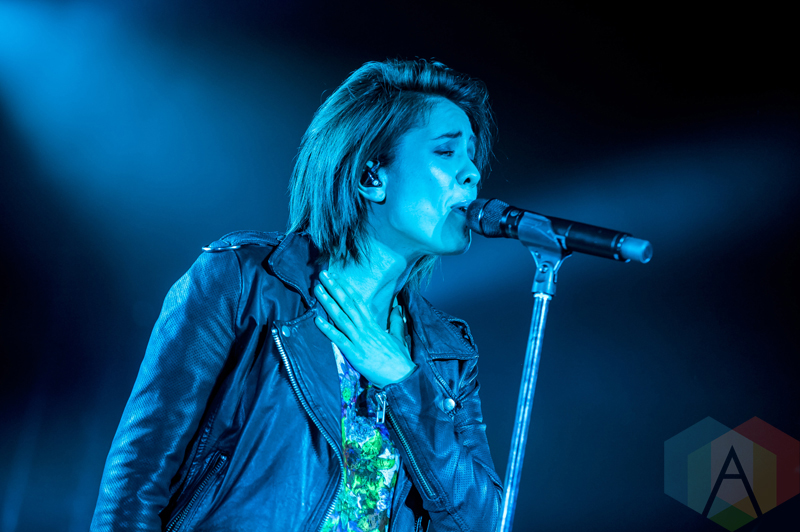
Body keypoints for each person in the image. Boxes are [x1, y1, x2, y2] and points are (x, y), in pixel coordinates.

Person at [91, 58, 502, 532]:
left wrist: (403, 381)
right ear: (371, 176)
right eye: (446, 152)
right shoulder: (244, 281)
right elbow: (134, 483)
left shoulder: (448, 353)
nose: (472, 173)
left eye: (472, 155)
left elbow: (484, 520)